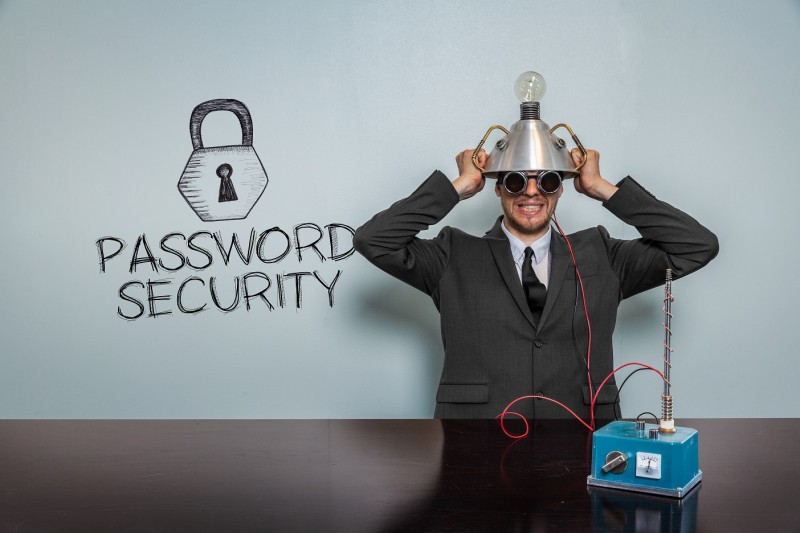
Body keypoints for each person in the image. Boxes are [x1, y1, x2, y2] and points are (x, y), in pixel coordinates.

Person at [353, 148, 718, 420]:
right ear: (497, 189)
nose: (531, 192)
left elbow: (697, 246)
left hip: (582, 433)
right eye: (514, 180)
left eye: (546, 180)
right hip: (476, 437)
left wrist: (602, 187)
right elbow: (374, 240)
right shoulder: (453, 254)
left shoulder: (602, 253)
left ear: (561, 188)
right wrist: (457, 187)